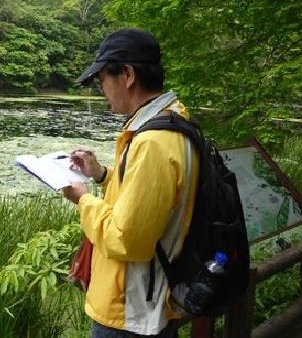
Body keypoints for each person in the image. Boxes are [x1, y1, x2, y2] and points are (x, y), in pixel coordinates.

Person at [62, 28, 199, 338]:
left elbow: (128, 240)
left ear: (126, 74)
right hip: (152, 302)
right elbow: (151, 198)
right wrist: (102, 174)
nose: (101, 89)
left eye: (102, 81)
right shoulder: (175, 120)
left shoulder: (153, 142)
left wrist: (83, 198)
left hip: (132, 315)